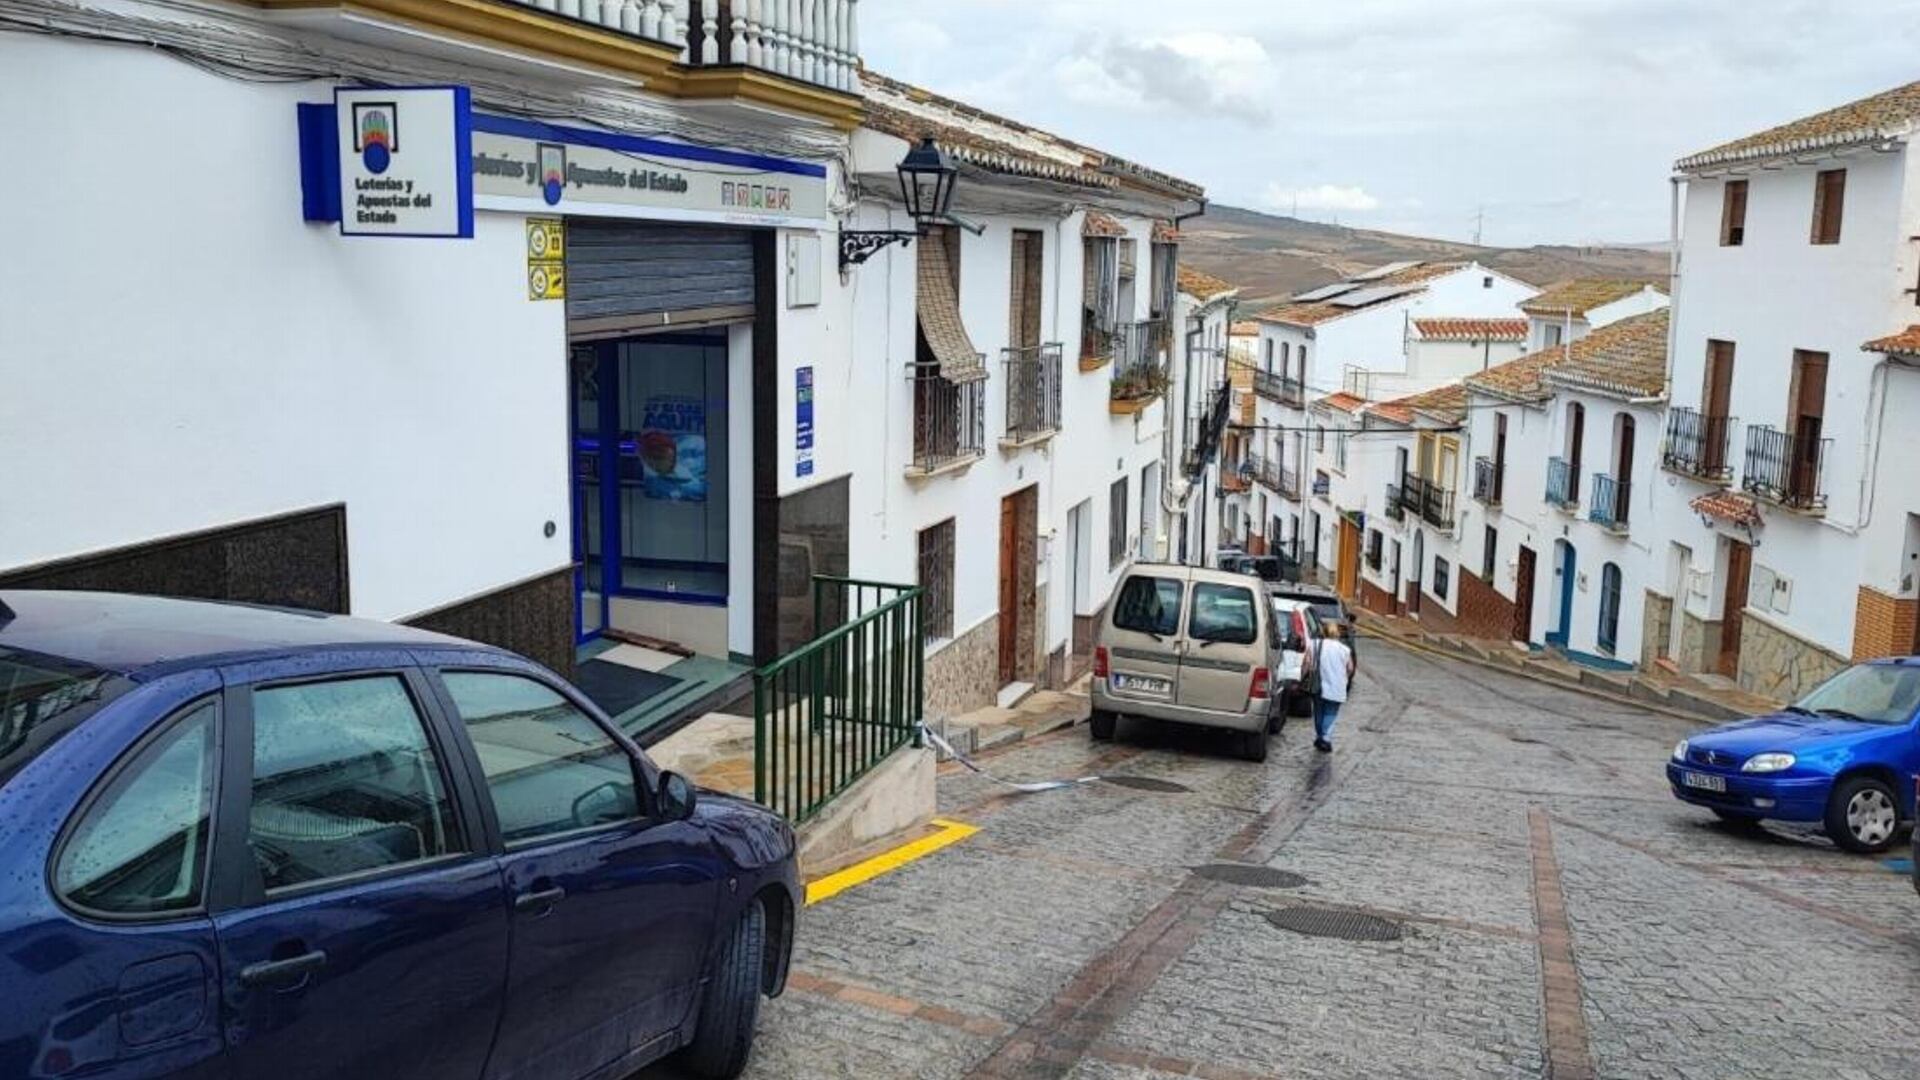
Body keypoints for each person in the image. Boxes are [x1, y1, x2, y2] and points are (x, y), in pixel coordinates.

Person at [1313, 622, 1356, 753]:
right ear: (1337, 633)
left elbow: (1308, 663)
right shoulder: (1345, 649)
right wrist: (1344, 678)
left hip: (1318, 685)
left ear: (1324, 632)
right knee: (1330, 713)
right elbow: (1350, 668)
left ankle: (1320, 736)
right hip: (1337, 687)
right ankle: (1325, 738)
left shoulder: (1316, 644)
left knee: (1318, 712)